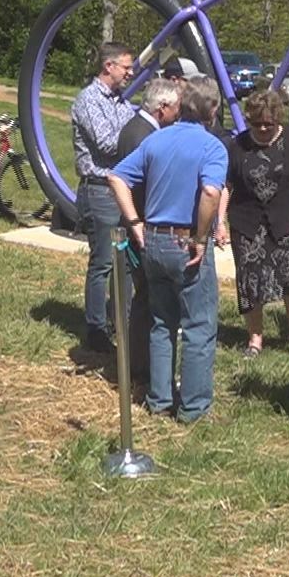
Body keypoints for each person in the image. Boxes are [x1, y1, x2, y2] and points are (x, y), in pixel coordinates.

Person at [108, 76, 228, 422]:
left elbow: (116, 177)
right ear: (213, 110)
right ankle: (193, 407)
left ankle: (159, 400)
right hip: (185, 240)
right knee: (198, 326)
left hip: (154, 239)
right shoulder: (212, 147)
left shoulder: (157, 140)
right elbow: (210, 193)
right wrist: (202, 238)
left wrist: (134, 222)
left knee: (161, 322)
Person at [216, 88, 289, 360]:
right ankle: (255, 338)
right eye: (255, 123)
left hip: (285, 221)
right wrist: (219, 222)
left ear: (277, 120)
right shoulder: (238, 145)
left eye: (267, 124)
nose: (261, 128)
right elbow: (227, 185)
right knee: (249, 284)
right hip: (246, 223)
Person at [71, 42, 140, 354]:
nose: (131, 72)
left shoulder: (118, 100)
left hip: (121, 189)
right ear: (108, 66)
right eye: (126, 67)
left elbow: (135, 128)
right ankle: (96, 329)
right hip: (99, 189)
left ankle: (122, 323)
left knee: (123, 262)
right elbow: (108, 143)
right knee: (102, 262)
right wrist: (140, 136)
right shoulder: (88, 100)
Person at [114, 77, 183, 380]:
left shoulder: (137, 128)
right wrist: (139, 223)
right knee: (146, 299)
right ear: (163, 108)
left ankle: (139, 362)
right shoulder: (144, 136)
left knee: (144, 297)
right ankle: (140, 365)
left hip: (139, 223)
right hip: (143, 226)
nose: (178, 114)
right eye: (176, 108)